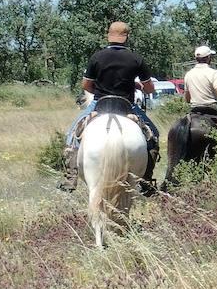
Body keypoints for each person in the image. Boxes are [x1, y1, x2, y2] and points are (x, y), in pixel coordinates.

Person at [62, 21, 160, 192]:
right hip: (127, 106)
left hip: (100, 104)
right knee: (153, 136)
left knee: (71, 134)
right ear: (127, 37)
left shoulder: (97, 57)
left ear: (109, 35)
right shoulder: (136, 59)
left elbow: (86, 85)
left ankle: (70, 178)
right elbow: (150, 88)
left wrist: (100, 88)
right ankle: (146, 181)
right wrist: (137, 86)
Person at [183, 45, 217, 114]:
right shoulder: (214, 73)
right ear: (208, 58)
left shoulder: (188, 74)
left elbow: (187, 99)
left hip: (194, 109)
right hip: (211, 109)